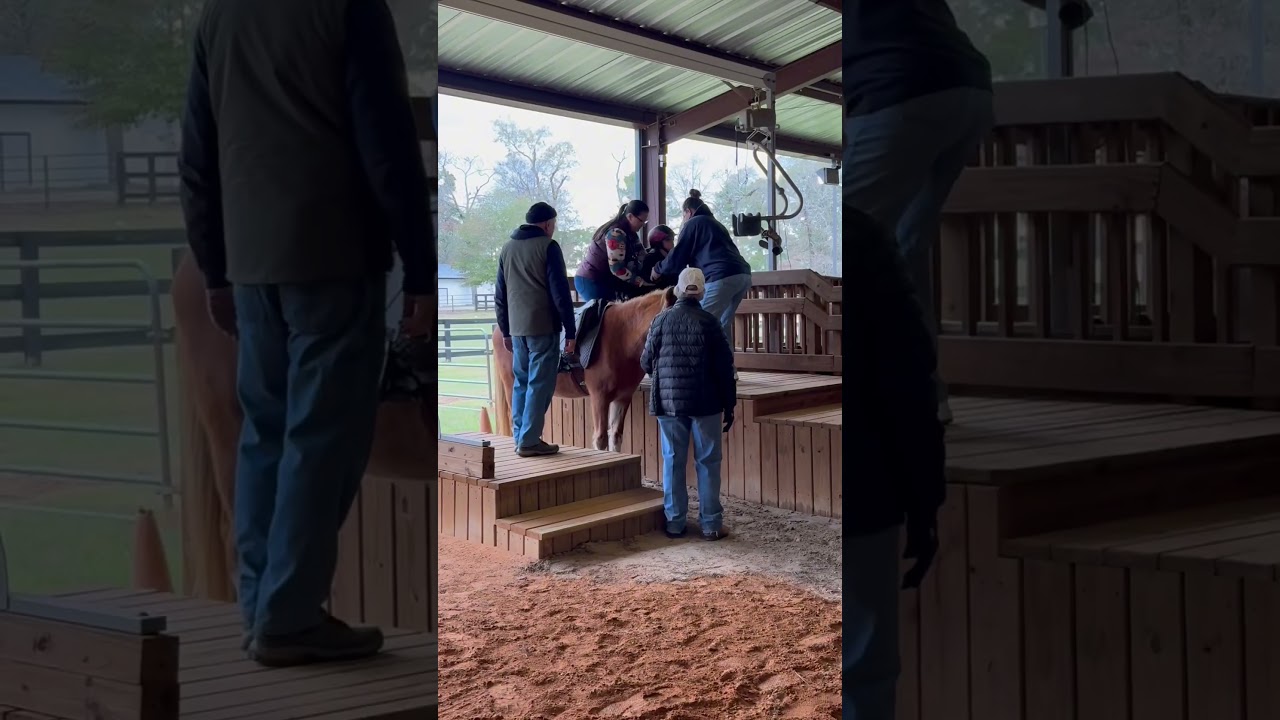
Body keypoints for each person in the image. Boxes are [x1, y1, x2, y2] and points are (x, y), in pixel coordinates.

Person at [177, 0, 434, 667]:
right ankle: (289, 617)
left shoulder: (220, 17)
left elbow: (197, 154)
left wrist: (214, 268)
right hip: (334, 256)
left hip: (250, 267)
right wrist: (421, 269)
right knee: (324, 439)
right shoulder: (349, 7)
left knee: (265, 433)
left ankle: (262, 608)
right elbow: (387, 143)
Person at [844, 1, 995, 425]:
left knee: (854, 242)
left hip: (896, 87)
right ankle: (924, 396)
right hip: (969, 89)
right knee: (902, 250)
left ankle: (877, 398)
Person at [844, 207, 945, 719]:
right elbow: (911, 392)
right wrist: (924, 504)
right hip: (870, 492)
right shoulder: (870, 240)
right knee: (866, 668)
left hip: (864, 486)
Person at [639, 267, 736, 541]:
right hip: (706, 403)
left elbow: (646, 361)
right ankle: (711, 524)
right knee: (708, 462)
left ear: (679, 290)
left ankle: (675, 523)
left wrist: (665, 375)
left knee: (672, 460)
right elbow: (725, 369)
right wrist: (730, 404)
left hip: (669, 404)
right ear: (702, 292)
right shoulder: (710, 322)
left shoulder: (660, 320)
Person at [495, 202, 577, 457]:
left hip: (518, 330)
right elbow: (560, 293)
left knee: (521, 382)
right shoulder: (548, 247)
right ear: (547, 224)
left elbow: (500, 295)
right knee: (540, 384)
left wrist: (506, 330)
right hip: (543, 327)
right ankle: (529, 441)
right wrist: (571, 331)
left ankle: (520, 437)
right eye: (554, 224)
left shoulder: (507, 249)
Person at [651, 190, 752, 379]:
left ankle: (692, 371)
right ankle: (728, 371)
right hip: (742, 275)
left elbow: (679, 255)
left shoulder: (693, 223)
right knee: (721, 325)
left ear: (688, 211)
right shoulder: (715, 224)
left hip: (720, 276)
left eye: (682, 214)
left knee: (698, 322)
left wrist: (658, 268)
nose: (682, 219)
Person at [575, 199, 651, 302]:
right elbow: (617, 268)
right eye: (641, 221)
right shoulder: (616, 233)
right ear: (630, 217)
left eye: (645, 221)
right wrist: (641, 282)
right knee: (601, 314)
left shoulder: (631, 233)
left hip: (603, 280)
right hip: (591, 280)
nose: (643, 225)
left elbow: (643, 255)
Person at [639, 224, 676, 289]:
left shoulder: (672, 257)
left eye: (672, 239)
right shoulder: (650, 259)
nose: (672, 242)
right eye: (668, 240)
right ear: (658, 242)